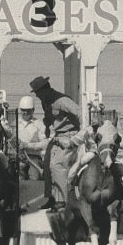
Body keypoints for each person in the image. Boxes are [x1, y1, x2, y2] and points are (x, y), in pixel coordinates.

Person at [30, 76, 84, 210]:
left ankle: (62, 200)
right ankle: (52, 198)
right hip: (57, 136)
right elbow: (49, 117)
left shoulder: (63, 100)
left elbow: (80, 113)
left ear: (45, 89)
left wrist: (80, 135)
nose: (37, 95)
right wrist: (47, 125)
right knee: (47, 164)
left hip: (70, 136)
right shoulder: (46, 102)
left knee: (56, 164)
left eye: (37, 92)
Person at [11, 96, 46, 181]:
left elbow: (45, 144)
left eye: (28, 110)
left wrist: (27, 145)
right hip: (17, 158)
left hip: (33, 158)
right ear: (20, 110)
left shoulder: (39, 124)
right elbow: (9, 140)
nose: (25, 112)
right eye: (23, 110)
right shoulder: (14, 124)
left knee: (35, 177)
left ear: (33, 110)